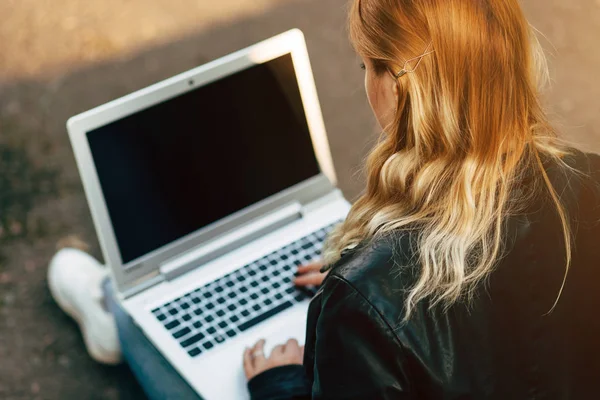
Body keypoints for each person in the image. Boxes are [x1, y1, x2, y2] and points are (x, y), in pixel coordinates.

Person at [49, 0, 600, 398]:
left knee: (151, 318)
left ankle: (112, 311)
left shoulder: (361, 301)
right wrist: (369, 277)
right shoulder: (590, 181)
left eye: (367, 66)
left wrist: (283, 382)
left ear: (398, 87)